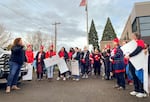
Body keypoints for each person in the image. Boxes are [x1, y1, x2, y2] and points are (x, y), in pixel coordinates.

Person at [125, 32, 146, 98]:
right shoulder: (132, 43)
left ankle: (142, 91)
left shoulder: (140, 41)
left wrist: (130, 55)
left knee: (139, 75)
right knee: (134, 75)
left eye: (133, 35)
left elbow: (138, 49)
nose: (132, 37)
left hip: (138, 62)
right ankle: (136, 89)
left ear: (136, 36)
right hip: (132, 61)